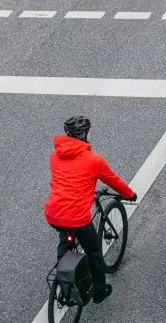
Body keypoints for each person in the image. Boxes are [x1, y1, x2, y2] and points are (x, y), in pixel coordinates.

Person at [44, 115, 137, 304]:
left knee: (66, 238)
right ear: (84, 133)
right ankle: (100, 291)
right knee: (94, 251)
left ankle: (63, 274)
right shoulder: (93, 160)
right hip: (77, 217)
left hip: (53, 213)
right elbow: (114, 180)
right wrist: (129, 194)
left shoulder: (55, 156)